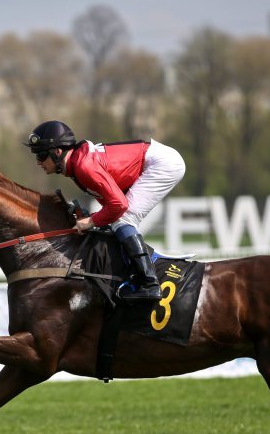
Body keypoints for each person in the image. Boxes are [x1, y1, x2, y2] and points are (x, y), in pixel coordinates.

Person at [24, 120, 185, 302]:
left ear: (57, 152)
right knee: (117, 221)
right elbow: (111, 207)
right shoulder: (76, 166)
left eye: (41, 155)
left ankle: (149, 284)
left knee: (124, 220)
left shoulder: (83, 166)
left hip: (162, 164)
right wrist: (92, 218)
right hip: (157, 160)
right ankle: (134, 273)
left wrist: (92, 221)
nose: (38, 162)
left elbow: (118, 205)